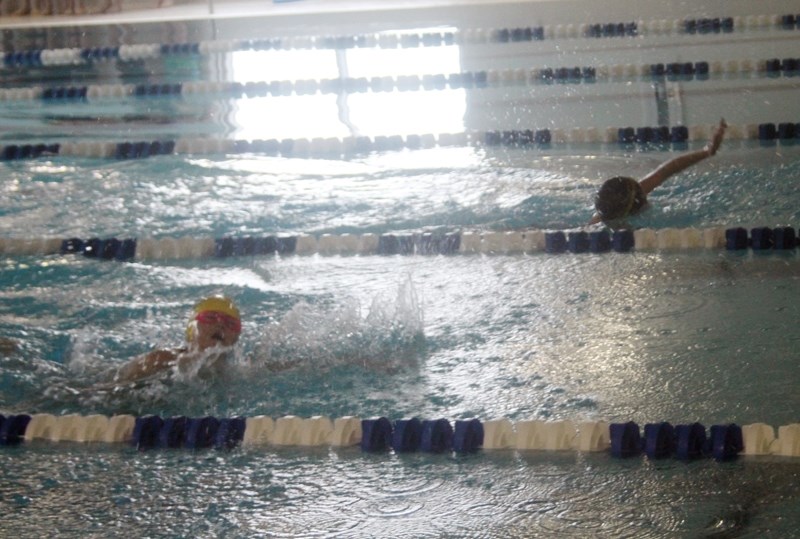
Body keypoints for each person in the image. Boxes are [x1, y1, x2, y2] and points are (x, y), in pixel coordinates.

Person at [589, 118, 727, 227]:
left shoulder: (622, 202)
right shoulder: (606, 226)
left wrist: (707, 152)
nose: (643, 189)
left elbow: (668, 169)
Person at [114, 295, 242, 383]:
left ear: (236, 338)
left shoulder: (238, 373)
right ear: (192, 329)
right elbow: (118, 384)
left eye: (230, 323)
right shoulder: (164, 359)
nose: (221, 325)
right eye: (211, 318)